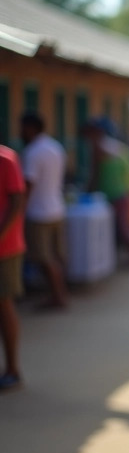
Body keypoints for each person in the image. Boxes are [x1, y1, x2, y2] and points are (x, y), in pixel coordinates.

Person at [82, 117, 129, 265]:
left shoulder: (99, 148)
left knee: (124, 230)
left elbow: (95, 174)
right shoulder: (115, 146)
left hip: (117, 194)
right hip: (124, 191)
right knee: (125, 228)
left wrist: (87, 191)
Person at [20, 111, 69, 309]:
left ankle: (57, 297)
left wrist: (19, 212)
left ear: (31, 128)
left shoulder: (33, 152)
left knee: (44, 259)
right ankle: (59, 294)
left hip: (39, 212)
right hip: (56, 208)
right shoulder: (54, 147)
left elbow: (28, 186)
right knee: (55, 257)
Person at [0, 146, 24, 393]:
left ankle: (12, 370)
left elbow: (17, 201)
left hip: (5, 248)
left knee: (4, 303)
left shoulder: (6, 159)